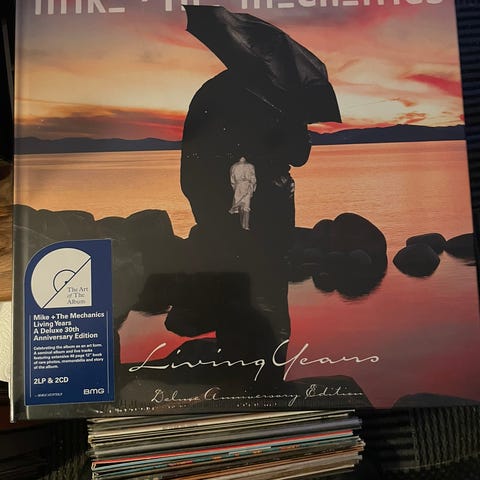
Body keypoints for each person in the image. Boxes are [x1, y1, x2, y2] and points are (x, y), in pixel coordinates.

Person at [228, 156, 256, 230]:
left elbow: (232, 179)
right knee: (246, 206)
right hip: (247, 186)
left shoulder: (234, 166)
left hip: (238, 186)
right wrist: (253, 187)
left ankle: (242, 224)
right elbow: (253, 178)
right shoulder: (250, 166)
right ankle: (245, 225)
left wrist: (234, 188)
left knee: (241, 206)